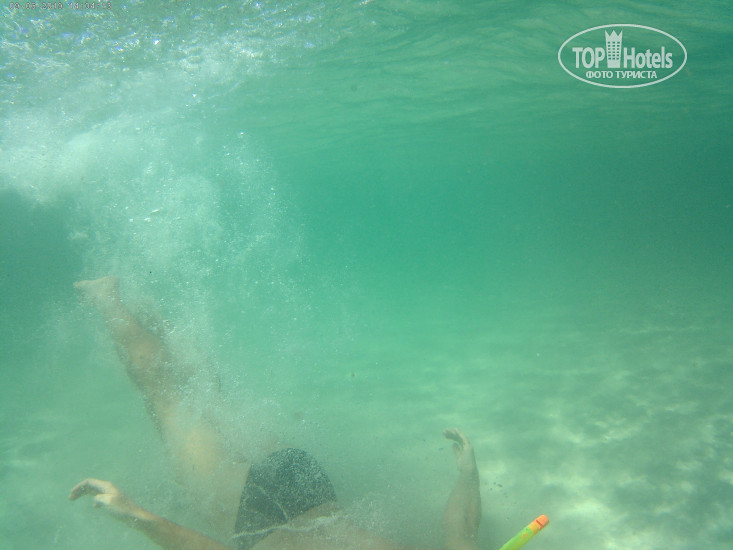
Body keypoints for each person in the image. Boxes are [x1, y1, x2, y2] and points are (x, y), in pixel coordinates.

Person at [69, 276, 482, 550]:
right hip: (255, 517)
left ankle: (151, 315)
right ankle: (107, 298)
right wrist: (138, 517)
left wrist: (467, 474)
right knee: (166, 397)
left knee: (210, 399)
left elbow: (459, 529)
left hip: (306, 481)